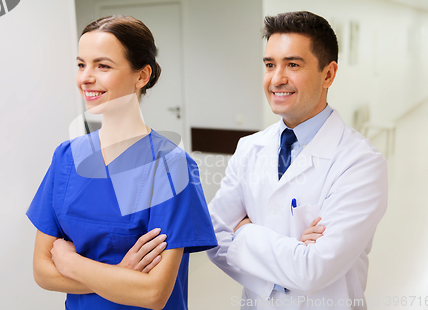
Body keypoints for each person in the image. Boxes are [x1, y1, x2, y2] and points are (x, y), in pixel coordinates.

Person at [27, 15, 217, 310]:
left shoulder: (171, 167)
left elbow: (153, 293)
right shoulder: (66, 157)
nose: (86, 77)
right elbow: (42, 271)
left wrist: (69, 262)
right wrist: (120, 275)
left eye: (102, 66)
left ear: (141, 76)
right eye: (81, 64)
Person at [207, 11, 387, 309]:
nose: (277, 79)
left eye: (293, 64)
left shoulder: (361, 163)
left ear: (328, 74)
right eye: (269, 65)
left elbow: (313, 270)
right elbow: (213, 235)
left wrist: (244, 231)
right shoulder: (250, 148)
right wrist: (289, 260)